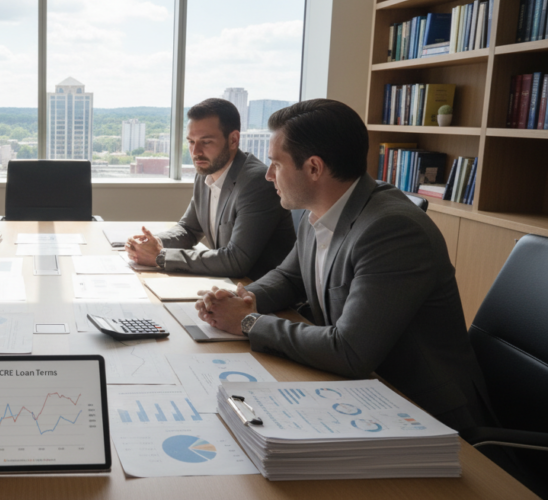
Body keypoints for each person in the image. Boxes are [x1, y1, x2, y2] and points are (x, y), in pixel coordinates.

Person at [196, 98, 492, 432]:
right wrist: (239, 299)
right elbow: (289, 278)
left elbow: (350, 350)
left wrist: (249, 322)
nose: (267, 175)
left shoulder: (393, 230)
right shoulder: (318, 210)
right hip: (361, 394)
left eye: (276, 164)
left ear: (313, 168)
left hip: (424, 413)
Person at [126, 98, 295, 280]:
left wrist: (161, 257)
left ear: (233, 140)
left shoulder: (257, 182)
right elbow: (189, 229)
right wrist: (153, 243)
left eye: (206, 142)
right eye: (191, 142)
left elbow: (235, 260)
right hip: (226, 286)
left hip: (257, 292)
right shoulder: (205, 171)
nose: (196, 151)